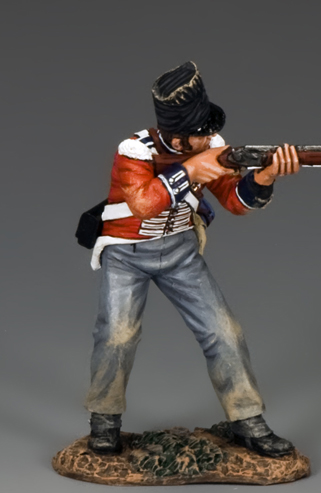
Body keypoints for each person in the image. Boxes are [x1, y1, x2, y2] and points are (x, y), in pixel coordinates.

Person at [83, 61, 300, 457]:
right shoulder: (134, 151)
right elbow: (143, 204)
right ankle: (104, 418)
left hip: (181, 252)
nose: (210, 139)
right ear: (178, 138)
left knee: (225, 331)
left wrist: (264, 178)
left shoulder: (211, 147)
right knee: (117, 335)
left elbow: (235, 202)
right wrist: (191, 170)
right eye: (201, 134)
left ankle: (247, 419)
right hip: (127, 253)